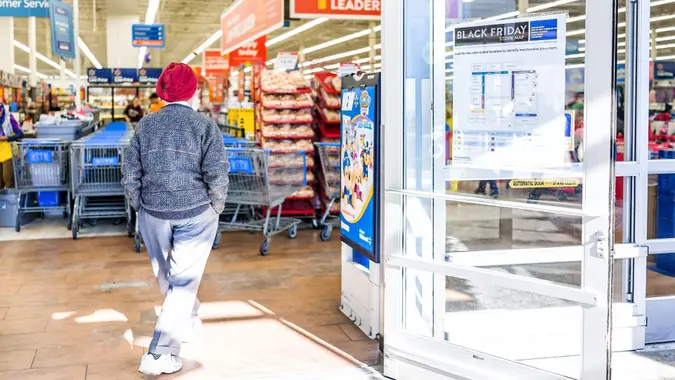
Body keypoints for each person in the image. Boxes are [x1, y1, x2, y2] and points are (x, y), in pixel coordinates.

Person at [122, 62, 229, 376]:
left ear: (162, 92)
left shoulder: (146, 125)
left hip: (153, 213)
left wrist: (139, 204)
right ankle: (159, 353)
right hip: (196, 213)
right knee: (182, 281)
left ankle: (187, 317)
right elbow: (218, 173)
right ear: (194, 91)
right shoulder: (205, 126)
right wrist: (216, 206)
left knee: (166, 274)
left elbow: (130, 173)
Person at [0, 103, 24, 189]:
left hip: (8, 153)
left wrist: (7, 137)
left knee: (8, 179)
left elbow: (20, 134)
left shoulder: (9, 118)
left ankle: (9, 201)